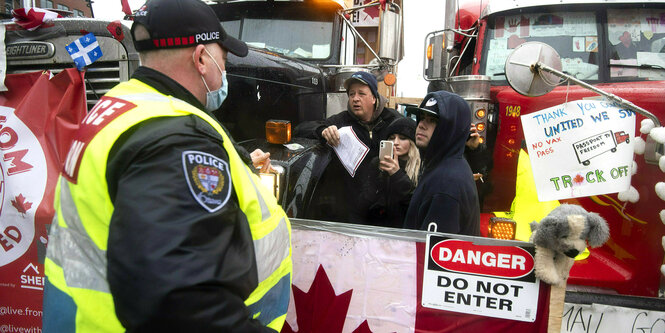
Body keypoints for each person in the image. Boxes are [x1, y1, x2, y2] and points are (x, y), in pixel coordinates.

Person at [42, 0, 291, 332]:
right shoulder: (176, 138)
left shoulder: (121, 105)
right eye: (224, 58)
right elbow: (180, 305)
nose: (225, 67)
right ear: (201, 58)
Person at [297, 71, 401, 223]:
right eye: (351, 94)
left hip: (387, 210)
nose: (355, 99)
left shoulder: (393, 119)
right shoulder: (341, 121)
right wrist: (322, 131)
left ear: (374, 97)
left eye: (361, 94)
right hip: (353, 211)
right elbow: (301, 128)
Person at [403, 90, 480, 236]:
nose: (421, 125)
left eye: (432, 120)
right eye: (421, 117)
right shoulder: (444, 166)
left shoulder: (447, 182)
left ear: (452, 128)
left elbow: (431, 254)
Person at [368, 116, 420, 228]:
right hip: (379, 230)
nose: (396, 142)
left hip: (406, 230)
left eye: (402, 138)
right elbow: (366, 201)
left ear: (412, 141)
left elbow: (415, 205)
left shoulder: (420, 167)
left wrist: (397, 175)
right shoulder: (377, 163)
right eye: (391, 138)